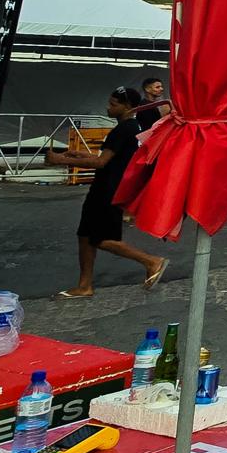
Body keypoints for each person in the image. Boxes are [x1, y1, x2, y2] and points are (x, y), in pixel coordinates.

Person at [43, 86, 167, 297]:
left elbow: (102, 162)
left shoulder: (125, 129)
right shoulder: (130, 127)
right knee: (85, 235)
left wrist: (60, 160)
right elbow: (110, 158)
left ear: (127, 107)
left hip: (109, 189)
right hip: (105, 186)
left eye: (113, 104)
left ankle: (151, 261)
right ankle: (85, 285)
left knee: (100, 238)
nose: (109, 108)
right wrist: (79, 155)